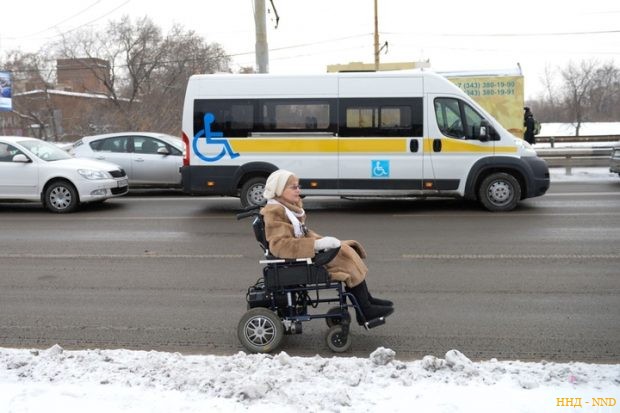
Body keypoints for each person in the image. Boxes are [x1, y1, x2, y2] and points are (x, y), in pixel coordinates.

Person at [260, 169, 394, 325]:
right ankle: (365, 308)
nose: (299, 190)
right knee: (344, 259)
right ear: (279, 190)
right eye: (294, 187)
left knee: (347, 248)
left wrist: (323, 240)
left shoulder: (286, 207)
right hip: (296, 262)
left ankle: (366, 301)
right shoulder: (274, 211)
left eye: (298, 186)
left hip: (302, 256)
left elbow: (302, 233)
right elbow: (279, 245)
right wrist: (317, 244)